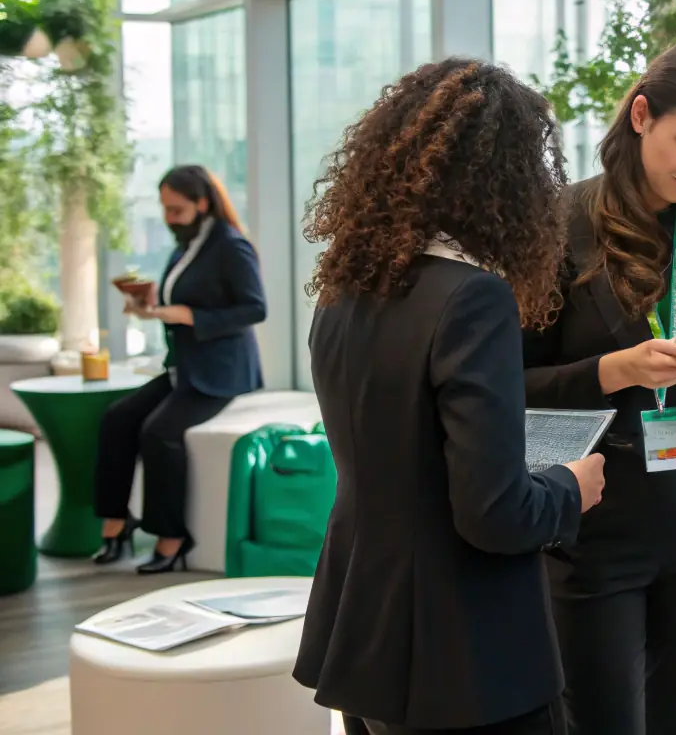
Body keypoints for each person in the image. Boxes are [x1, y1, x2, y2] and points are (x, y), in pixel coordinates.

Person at [293, 58, 606, 735]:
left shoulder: (344, 292)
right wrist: (568, 487)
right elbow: (494, 515)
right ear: (507, 181)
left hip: (366, 631)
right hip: (463, 654)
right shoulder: (472, 299)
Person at [522, 40, 676, 735]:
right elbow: (504, 388)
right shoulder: (558, 222)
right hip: (595, 515)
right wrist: (617, 370)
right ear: (640, 116)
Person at [93, 165, 266, 573]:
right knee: (117, 419)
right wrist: (150, 307)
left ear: (201, 203)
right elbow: (183, 296)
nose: (169, 218)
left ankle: (172, 537)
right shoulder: (185, 245)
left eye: (176, 210)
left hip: (220, 373)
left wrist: (190, 315)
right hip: (183, 367)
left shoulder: (230, 245)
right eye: (165, 210)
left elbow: (255, 308)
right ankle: (116, 522)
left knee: (159, 432)